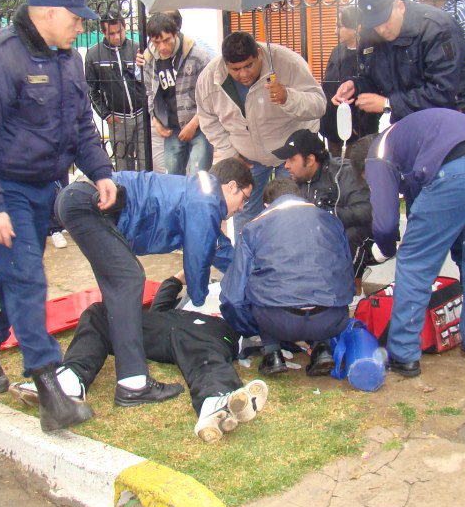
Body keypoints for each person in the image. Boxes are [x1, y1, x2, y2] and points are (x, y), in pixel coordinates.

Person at [0, 0, 112, 432]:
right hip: (7, 190)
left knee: (13, 273)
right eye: (75, 19)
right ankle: (49, 390)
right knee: (28, 279)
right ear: (47, 14)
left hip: (47, 186)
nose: (80, 28)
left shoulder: (69, 59)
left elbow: (81, 124)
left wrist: (101, 172)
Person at [55, 158, 253, 407]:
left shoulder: (201, 197)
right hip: (90, 202)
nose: (241, 208)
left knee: (112, 302)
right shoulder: (206, 199)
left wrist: (251, 276)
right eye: (244, 199)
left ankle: (67, 381)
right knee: (128, 280)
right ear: (232, 186)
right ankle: (133, 384)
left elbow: (218, 249)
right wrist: (198, 297)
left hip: (84, 201)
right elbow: (198, 257)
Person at [9, 274, 269, 442]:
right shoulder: (196, 289)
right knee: (100, 313)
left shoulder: (243, 292)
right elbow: (161, 304)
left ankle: (216, 403)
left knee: (206, 361)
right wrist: (182, 274)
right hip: (166, 323)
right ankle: (70, 380)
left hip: (213, 332)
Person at [365, 108, 465, 377]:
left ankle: (404, 354)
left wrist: (385, 249)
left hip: (459, 172)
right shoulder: (415, 135)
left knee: (415, 264)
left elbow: (386, 223)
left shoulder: (377, 153)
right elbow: (421, 196)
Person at [221, 178, 355, 377]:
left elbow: (233, 297)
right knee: (317, 286)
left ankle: (272, 353)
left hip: (277, 320)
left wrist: (249, 328)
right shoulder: (332, 221)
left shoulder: (253, 227)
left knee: (254, 286)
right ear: (300, 197)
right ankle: (322, 349)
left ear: (267, 205)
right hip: (331, 318)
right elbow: (346, 274)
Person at [197, 31, 327, 234]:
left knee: (290, 210)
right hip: (246, 157)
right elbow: (207, 120)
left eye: (249, 65)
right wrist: (231, 154)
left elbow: (319, 105)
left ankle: (290, 260)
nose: (243, 74)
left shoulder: (287, 62)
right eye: (235, 69)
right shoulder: (209, 78)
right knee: (245, 213)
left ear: (258, 54)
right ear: (225, 64)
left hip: (290, 151)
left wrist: (288, 98)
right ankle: (248, 263)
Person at [332, 0, 465, 124]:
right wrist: (356, 86)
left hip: (454, 118)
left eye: (385, 21)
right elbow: (375, 79)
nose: (382, 29)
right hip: (408, 120)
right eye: (375, 24)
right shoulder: (371, 33)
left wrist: (389, 104)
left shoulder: (437, 28)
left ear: (400, 7)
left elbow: (443, 91)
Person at [273, 128, 374, 278]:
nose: (286, 165)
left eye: (292, 159)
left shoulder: (344, 173)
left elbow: (368, 211)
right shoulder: (297, 180)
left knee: (351, 235)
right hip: (322, 239)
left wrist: (330, 214)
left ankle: (352, 286)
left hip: (365, 240)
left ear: (310, 160)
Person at [140, 12, 213, 175]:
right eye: (156, 42)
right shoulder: (150, 59)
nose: (162, 47)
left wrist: (194, 124)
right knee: (172, 180)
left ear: (176, 33)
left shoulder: (198, 56)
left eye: (166, 40)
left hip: (200, 127)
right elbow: (149, 91)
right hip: (171, 129)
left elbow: (211, 96)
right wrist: (156, 120)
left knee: (199, 179)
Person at [85, 14, 147, 171]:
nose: (117, 36)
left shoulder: (136, 48)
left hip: (141, 114)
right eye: (112, 33)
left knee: (145, 162)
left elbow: (148, 79)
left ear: (125, 28)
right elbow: (91, 89)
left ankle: (145, 195)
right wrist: (105, 114)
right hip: (118, 119)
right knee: (123, 165)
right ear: (104, 33)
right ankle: (126, 195)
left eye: (120, 31)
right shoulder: (94, 55)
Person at [320, 7, 380, 157]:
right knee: (335, 167)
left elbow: (376, 89)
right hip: (333, 124)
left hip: (359, 128)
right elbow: (328, 85)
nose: (335, 31)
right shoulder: (336, 51)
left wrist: (360, 124)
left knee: (355, 168)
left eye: (339, 26)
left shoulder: (370, 53)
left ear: (356, 28)